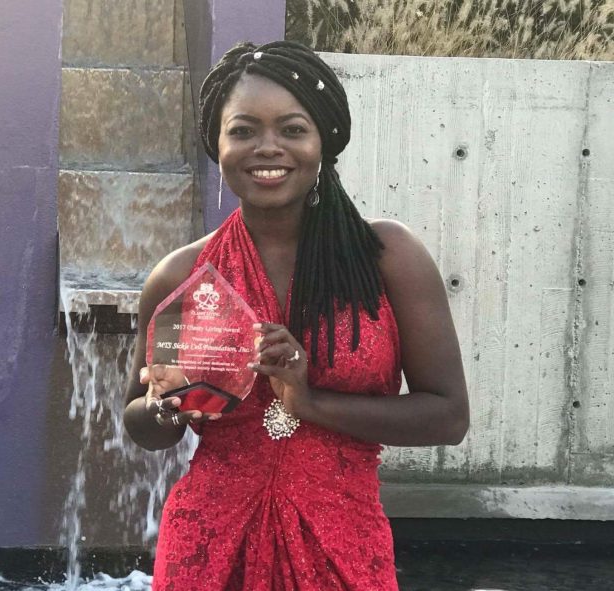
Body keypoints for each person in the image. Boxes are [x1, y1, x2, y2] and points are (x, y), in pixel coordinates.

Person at [124, 40, 469, 590]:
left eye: (291, 128)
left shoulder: (389, 257)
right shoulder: (181, 275)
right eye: (243, 131)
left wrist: (308, 402)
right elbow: (141, 426)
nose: (267, 148)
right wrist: (169, 405)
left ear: (322, 140)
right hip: (209, 547)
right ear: (218, 144)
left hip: (341, 541)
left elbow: (448, 418)